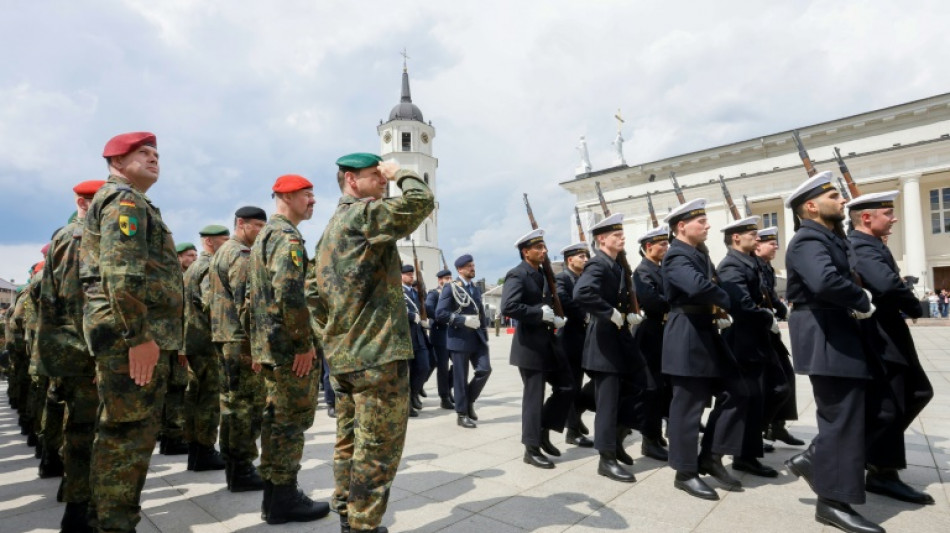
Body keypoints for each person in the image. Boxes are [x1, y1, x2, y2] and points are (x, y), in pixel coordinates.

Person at [308, 152, 434, 533]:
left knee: (349, 439)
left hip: (347, 357)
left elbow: (312, 293)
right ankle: (363, 525)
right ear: (351, 180)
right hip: (376, 357)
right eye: (374, 175)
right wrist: (403, 174)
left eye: (384, 174)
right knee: (377, 449)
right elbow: (421, 202)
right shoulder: (363, 216)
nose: (383, 180)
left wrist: (333, 337)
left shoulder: (332, 227)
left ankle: (348, 512)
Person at [80, 131, 184, 532]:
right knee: (128, 438)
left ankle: (104, 521)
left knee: (121, 434)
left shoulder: (126, 200)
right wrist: (139, 338)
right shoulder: (125, 200)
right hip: (132, 338)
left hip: (126, 335)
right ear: (117, 162)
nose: (155, 158)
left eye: (157, 153)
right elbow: (121, 274)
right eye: (144, 153)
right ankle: (115, 524)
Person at [782, 171, 884, 533]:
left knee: (849, 417)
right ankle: (832, 502)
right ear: (811, 206)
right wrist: (860, 298)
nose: (843, 201)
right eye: (834, 196)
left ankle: (816, 461)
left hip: (838, 333)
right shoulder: (808, 239)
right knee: (841, 419)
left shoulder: (828, 237)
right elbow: (824, 281)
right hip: (826, 335)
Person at [247, 178, 329, 525]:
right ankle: (284, 500)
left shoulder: (266, 235)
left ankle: (274, 498)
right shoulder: (286, 238)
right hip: (287, 352)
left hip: (271, 348)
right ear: (285, 197)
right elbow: (290, 295)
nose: (313, 200)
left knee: (276, 422)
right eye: (306, 195)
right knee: (289, 424)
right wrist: (303, 344)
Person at [847, 191, 934, 505]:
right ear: (867, 218)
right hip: (879, 333)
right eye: (888, 213)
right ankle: (882, 472)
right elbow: (885, 284)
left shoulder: (871, 244)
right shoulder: (860, 245)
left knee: (915, 393)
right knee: (893, 402)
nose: (894, 218)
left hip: (890, 331)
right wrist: (914, 304)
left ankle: (873, 454)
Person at [661, 198, 746, 501]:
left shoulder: (698, 254)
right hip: (686, 335)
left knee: (737, 391)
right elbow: (698, 287)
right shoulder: (676, 257)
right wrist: (728, 298)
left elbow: (708, 284)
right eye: (701, 221)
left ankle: (711, 455)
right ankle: (685, 472)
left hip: (705, 331)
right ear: (681, 227)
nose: (707, 225)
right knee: (688, 407)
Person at [36, 180, 105, 531]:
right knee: (86, 433)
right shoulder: (80, 237)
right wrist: (96, 355)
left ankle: (79, 508)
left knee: (81, 431)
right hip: (84, 355)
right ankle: (80, 515)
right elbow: (80, 301)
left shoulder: (74, 235)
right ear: (83, 202)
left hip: (75, 353)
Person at [573, 213, 648, 483]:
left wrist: (628, 313)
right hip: (603, 341)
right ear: (601, 239)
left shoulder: (615, 265)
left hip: (618, 339)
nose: (622, 238)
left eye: (621, 234)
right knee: (607, 402)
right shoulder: (599, 264)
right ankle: (606, 458)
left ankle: (616, 439)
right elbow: (582, 293)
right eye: (616, 235)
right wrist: (609, 312)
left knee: (638, 386)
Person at [502, 229, 575, 469]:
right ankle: (531, 448)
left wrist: (554, 316)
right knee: (534, 398)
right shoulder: (517, 274)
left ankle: (543, 430)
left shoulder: (543, 273)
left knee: (566, 387)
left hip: (549, 343)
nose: (544, 252)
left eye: (544, 247)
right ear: (526, 252)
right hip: (530, 346)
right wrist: (537, 313)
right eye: (538, 248)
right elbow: (509, 306)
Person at [716, 216, 781, 478]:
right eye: (752, 233)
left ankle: (747, 454)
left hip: (755, 340)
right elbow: (741, 304)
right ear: (736, 238)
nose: (758, 237)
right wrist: (766, 316)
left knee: (759, 397)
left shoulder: (749, 262)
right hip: (741, 342)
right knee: (743, 399)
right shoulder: (732, 265)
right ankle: (719, 452)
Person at [209, 206, 268, 492]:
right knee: (247, 406)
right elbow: (247, 303)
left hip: (226, 337)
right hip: (241, 340)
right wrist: (257, 347)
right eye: (256, 225)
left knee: (232, 406)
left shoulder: (224, 251)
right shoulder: (241, 254)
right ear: (240, 224)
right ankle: (242, 467)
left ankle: (236, 467)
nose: (260, 231)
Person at [181, 224, 230, 472]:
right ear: (209, 242)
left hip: (193, 340)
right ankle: (205, 450)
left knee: (196, 397)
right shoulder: (209, 268)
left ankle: (197, 451)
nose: (228, 244)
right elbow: (213, 305)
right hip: (206, 342)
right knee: (209, 400)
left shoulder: (192, 268)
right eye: (224, 240)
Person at [755, 227, 803, 449]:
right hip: (758, 331)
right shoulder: (753, 266)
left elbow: (771, 296)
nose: (775, 246)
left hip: (769, 331)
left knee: (786, 377)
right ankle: (758, 430)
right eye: (771, 242)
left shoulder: (766, 267)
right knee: (770, 384)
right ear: (758, 245)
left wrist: (785, 312)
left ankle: (777, 426)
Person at [435, 254, 492, 429]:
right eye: (468, 266)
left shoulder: (475, 288)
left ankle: (468, 401)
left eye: (473, 265)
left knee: (484, 370)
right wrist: (462, 320)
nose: (472, 268)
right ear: (460, 269)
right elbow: (440, 313)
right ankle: (461, 414)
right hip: (459, 338)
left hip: (476, 337)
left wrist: (484, 333)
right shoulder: (451, 288)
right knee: (460, 378)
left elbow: (480, 312)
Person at [631, 225, 672, 461]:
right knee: (652, 388)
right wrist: (674, 301)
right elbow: (652, 300)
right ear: (649, 247)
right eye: (662, 244)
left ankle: (656, 435)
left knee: (662, 388)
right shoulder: (642, 271)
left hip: (663, 331)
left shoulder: (660, 269)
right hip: (650, 333)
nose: (666, 248)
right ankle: (649, 439)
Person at [555, 242, 595, 448]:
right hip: (571, 339)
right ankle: (572, 430)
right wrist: (585, 315)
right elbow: (562, 299)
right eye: (582, 257)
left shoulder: (584, 278)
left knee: (594, 380)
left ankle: (577, 414)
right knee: (573, 385)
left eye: (587, 256)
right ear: (570, 260)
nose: (586, 260)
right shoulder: (563, 278)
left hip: (587, 338)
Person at [401, 264, 431, 417]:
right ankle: (407, 403)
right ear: (401, 276)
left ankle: (413, 393)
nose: (411, 276)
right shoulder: (398, 292)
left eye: (412, 274)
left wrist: (426, 319)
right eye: (407, 274)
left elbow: (423, 308)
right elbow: (396, 309)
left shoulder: (414, 292)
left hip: (419, 336)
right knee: (408, 371)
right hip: (406, 336)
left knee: (425, 366)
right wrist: (411, 316)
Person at [425, 268, 455, 410]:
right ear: (440, 280)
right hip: (440, 333)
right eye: (446, 278)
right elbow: (429, 308)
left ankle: (448, 388)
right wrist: (442, 318)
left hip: (453, 334)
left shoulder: (454, 293)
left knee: (458, 364)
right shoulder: (434, 293)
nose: (449, 280)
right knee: (442, 367)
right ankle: (444, 397)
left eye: (450, 277)